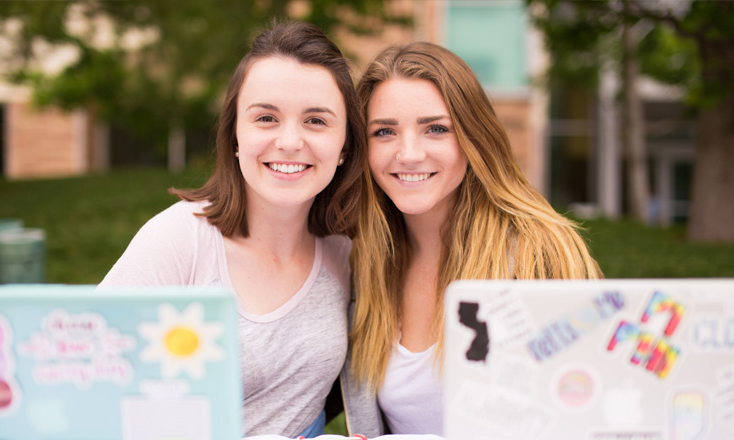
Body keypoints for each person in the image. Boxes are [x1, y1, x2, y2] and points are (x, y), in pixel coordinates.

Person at [99, 20, 365, 438]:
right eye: (266, 118)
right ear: (236, 135)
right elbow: (90, 380)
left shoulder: (346, 252)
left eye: (316, 121)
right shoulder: (179, 239)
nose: (290, 141)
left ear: (345, 144)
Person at [341, 42, 602, 437]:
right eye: (384, 131)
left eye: (436, 129)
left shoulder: (540, 252)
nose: (408, 153)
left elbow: (593, 404)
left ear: (472, 137)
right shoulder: (363, 263)